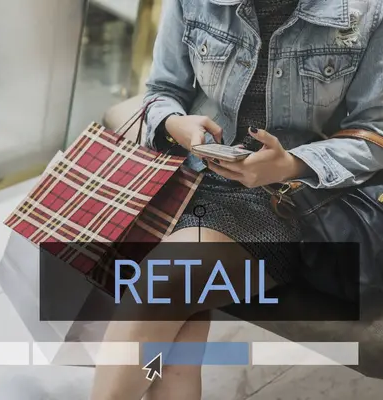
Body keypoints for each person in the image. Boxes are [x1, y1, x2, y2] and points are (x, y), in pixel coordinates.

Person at [90, 0, 383, 399]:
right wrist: (177, 124)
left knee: (161, 286)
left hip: (285, 202)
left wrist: (291, 163)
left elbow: (373, 134)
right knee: (178, 328)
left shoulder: (366, 11)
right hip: (188, 181)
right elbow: (162, 91)